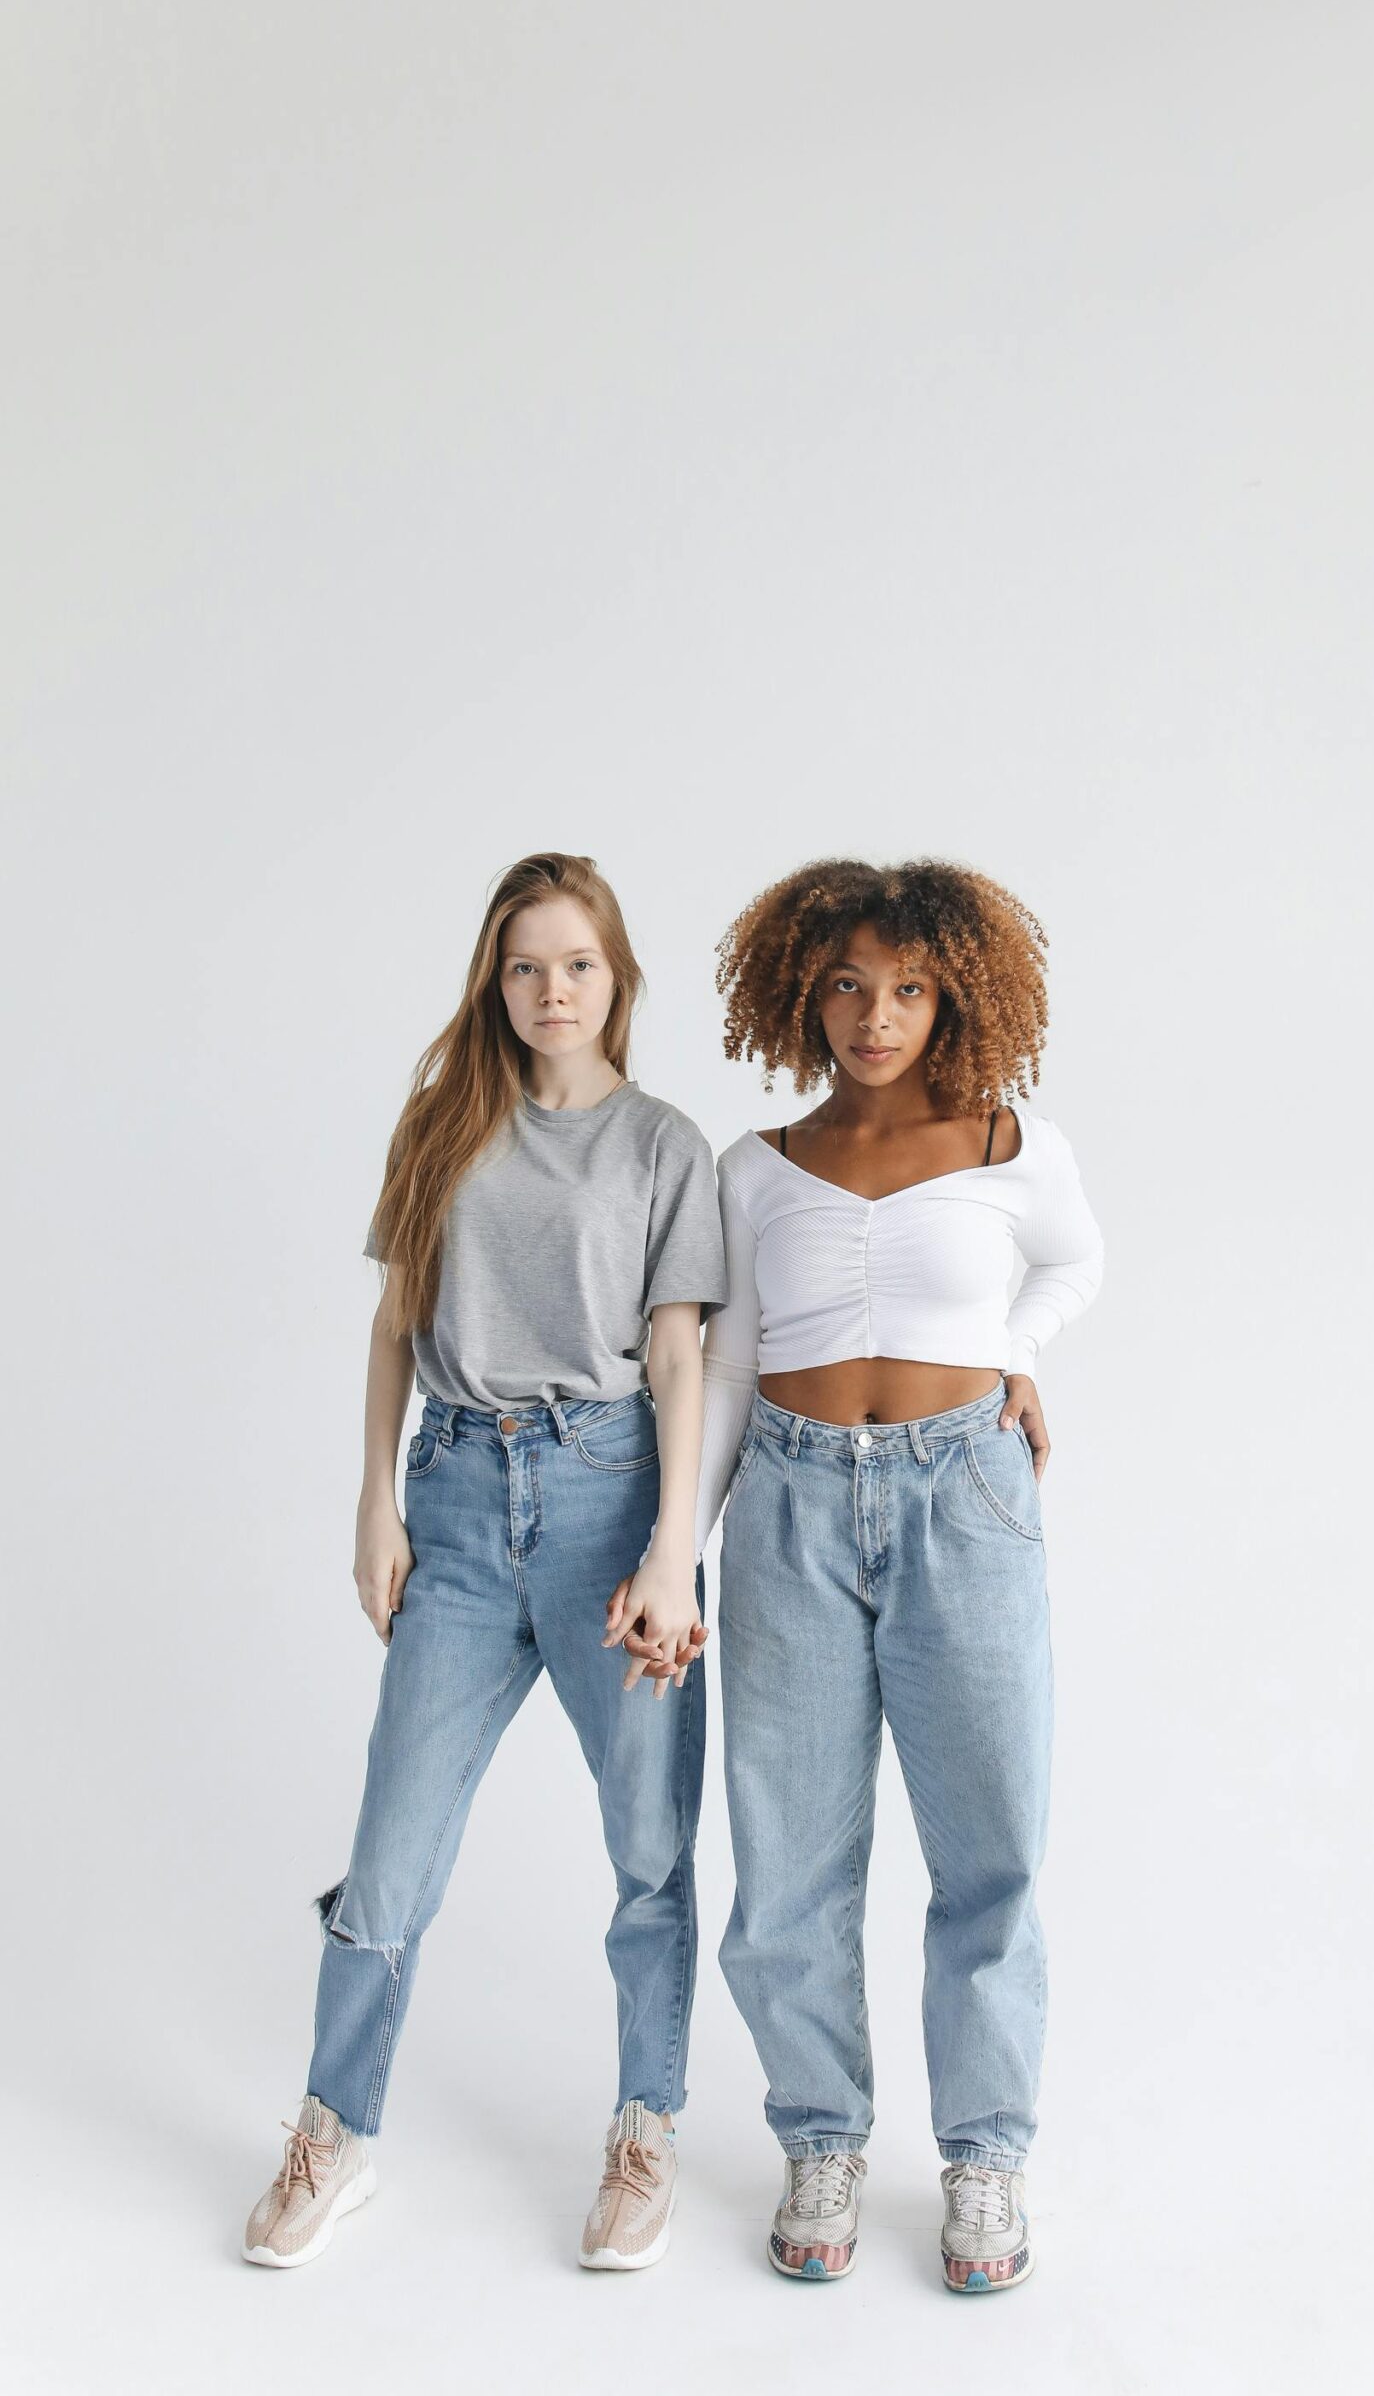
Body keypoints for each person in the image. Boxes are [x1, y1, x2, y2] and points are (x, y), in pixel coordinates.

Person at [243, 852, 725, 2272]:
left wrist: (671, 1558)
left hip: (607, 1497)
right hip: (454, 1496)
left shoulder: (662, 1147)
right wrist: (373, 1502)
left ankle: (646, 2130)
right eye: (525, 966)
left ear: (617, 978)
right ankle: (337, 2130)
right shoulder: (446, 1121)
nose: (551, 990)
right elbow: (397, 1321)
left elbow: (681, 1358)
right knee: (393, 1844)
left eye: (577, 963)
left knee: (647, 1849)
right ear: (493, 980)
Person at [678, 855, 1103, 2292]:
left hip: (964, 1498)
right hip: (791, 1507)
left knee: (989, 1843)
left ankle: (983, 2156)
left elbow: (1073, 1266)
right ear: (804, 991)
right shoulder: (758, 1169)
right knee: (787, 1855)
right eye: (850, 985)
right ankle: (822, 2136)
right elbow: (732, 1358)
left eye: (909, 988)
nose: (876, 1015)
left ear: (955, 996)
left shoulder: (1009, 1143)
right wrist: (680, 1550)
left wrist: (1016, 1362)